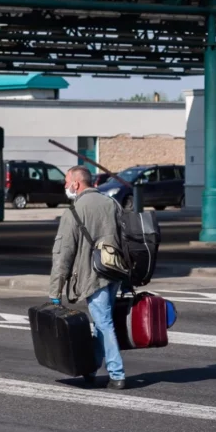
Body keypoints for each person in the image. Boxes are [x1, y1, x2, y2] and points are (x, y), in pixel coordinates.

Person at [48, 165, 126, 390]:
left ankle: (117, 373)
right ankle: (91, 368)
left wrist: (55, 292)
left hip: (92, 275)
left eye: (66, 181)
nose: (64, 186)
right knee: (102, 323)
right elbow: (124, 240)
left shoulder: (73, 211)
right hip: (115, 272)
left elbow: (62, 255)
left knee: (103, 322)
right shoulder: (112, 203)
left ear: (76, 183)